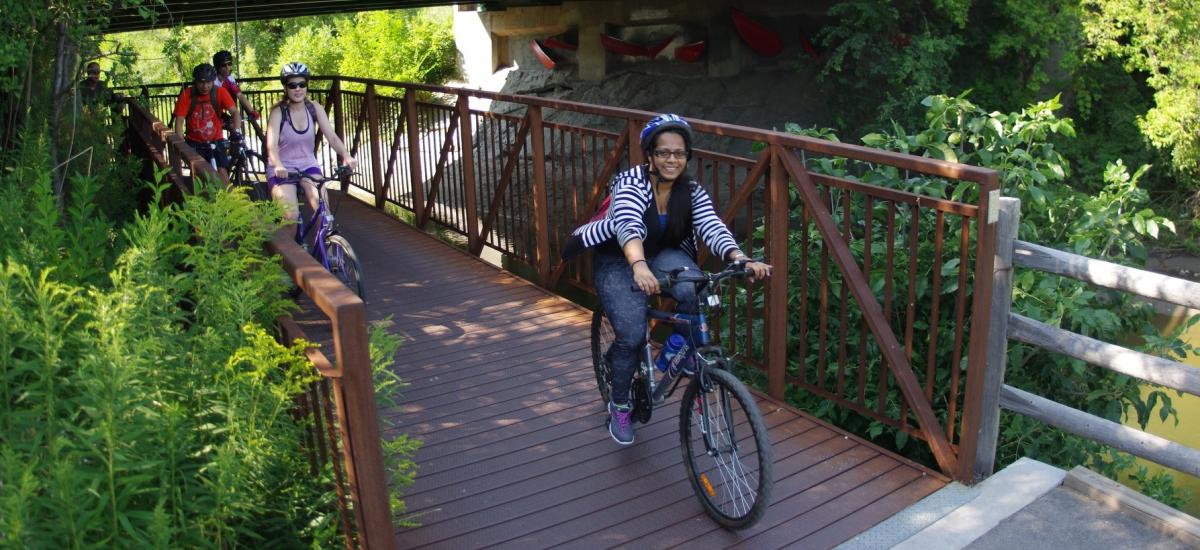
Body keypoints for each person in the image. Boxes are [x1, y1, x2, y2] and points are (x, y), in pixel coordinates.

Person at [565, 113, 772, 445]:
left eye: (679, 152)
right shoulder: (630, 183)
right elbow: (628, 226)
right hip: (619, 258)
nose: (672, 159)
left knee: (693, 286)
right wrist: (638, 265)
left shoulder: (689, 189)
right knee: (632, 335)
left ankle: (676, 347)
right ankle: (619, 404)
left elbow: (711, 225)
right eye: (663, 152)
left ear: (687, 155)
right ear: (649, 154)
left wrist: (739, 258)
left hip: (660, 253)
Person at [265, 62, 356, 221]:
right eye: (293, 85)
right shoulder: (278, 112)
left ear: (307, 86)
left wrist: (346, 155)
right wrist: (278, 165)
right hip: (283, 167)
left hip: (308, 165)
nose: (298, 89)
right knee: (291, 216)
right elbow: (271, 145)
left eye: (302, 84)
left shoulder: (314, 108)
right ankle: (290, 245)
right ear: (285, 88)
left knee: (324, 211)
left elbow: (332, 137)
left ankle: (327, 243)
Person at [172, 63, 241, 179]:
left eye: (209, 82)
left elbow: (235, 112)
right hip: (194, 142)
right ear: (196, 81)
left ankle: (226, 197)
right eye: (201, 82)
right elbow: (179, 121)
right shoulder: (187, 95)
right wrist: (181, 144)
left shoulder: (220, 92)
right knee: (199, 176)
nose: (205, 86)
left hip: (216, 140)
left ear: (213, 81)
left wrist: (237, 131)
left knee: (222, 173)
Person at [212, 50, 260, 122]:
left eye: (229, 64)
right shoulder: (212, 81)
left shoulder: (229, 78)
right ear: (217, 67)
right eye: (224, 65)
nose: (228, 68)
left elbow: (240, 95)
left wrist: (252, 111)